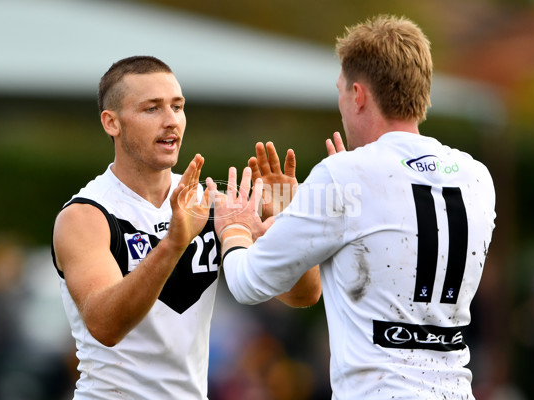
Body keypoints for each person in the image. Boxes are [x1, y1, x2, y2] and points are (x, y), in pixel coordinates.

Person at [207, 15, 497, 399]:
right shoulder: (476, 176)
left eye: (341, 90)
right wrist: (307, 218)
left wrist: (235, 228)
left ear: (358, 95)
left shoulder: (347, 175)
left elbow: (246, 283)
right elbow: (386, 241)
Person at [51, 55, 320, 400]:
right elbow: (105, 325)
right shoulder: (86, 215)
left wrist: (290, 225)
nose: (171, 121)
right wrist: (173, 243)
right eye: (152, 109)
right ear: (111, 123)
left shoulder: (209, 204)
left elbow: (303, 294)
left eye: (177, 107)